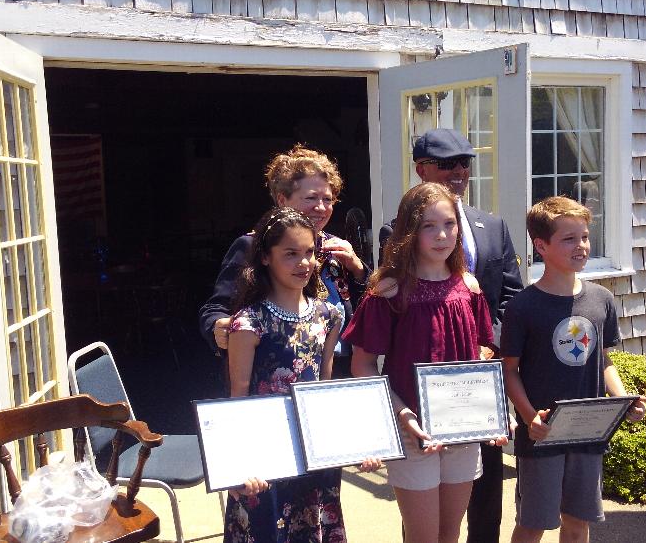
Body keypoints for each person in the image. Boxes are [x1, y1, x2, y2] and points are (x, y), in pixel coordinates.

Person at [380, 128, 523, 543]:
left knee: (485, 491)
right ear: (421, 169)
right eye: (447, 164)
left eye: (465, 163)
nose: (459, 172)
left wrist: (484, 347)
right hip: (421, 400)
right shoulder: (400, 231)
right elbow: (396, 316)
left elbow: (509, 295)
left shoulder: (492, 225)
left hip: (477, 384)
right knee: (427, 518)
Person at [344, 182, 509, 543]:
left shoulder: (470, 287)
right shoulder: (389, 290)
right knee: (423, 537)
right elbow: (363, 365)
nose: (441, 235)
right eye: (428, 226)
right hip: (413, 430)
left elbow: (483, 350)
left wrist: (492, 408)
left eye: (449, 224)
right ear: (409, 231)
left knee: (450, 533)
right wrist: (402, 415)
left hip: (462, 431)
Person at [501, 196, 646, 543]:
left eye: (584, 237)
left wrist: (622, 397)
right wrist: (527, 417)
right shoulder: (523, 306)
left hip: (588, 432)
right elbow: (509, 371)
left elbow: (604, 360)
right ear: (541, 245)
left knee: (579, 522)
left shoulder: (601, 300)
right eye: (569, 239)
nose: (581, 246)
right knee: (534, 522)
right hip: (543, 434)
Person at [222, 207, 349, 542]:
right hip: (266, 456)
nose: (303, 263)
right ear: (265, 258)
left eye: (309, 253)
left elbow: (325, 388)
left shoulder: (329, 315)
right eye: (290, 254)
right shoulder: (249, 322)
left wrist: (352, 445)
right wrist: (239, 465)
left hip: (313, 453)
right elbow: (237, 398)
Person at [199, 145, 368, 384]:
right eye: (311, 198)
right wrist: (219, 326)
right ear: (282, 199)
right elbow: (215, 309)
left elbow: (369, 309)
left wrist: (358, 270)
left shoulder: (339, 248)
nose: (320, 207)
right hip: (272, 371)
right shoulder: (252, 246)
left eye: (327, 199)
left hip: (337, 368)